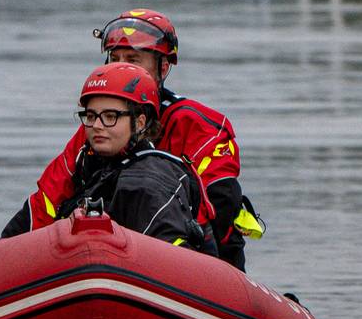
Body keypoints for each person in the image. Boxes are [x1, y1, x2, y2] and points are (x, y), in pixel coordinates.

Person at [2, 8, 258, 269]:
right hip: (107, 259)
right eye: (115, 58)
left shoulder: (199, 127)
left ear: (163, 67)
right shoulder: (96, 128)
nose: (121, 66)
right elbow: (46, 202)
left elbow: (219, 213)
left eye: (133, 60)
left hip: (193, 264)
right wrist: (2, 258)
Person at [13, 62, 214, 251]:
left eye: (111, 117)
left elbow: (172, 257)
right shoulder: (88, 166)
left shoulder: (149, 180)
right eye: (91, 116)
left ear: (140, 122)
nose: (97, 126)